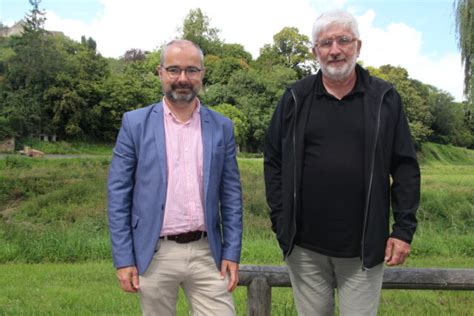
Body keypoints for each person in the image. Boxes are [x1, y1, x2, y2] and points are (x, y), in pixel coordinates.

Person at [264, 9, 420, 316]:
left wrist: (403, 230)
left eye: (343, 40)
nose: (335, 50)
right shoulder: (295, 97)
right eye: (326, 43)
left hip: (364, 248)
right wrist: (281, 220)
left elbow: (404, 166)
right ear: (315, 51)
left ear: (357, 46)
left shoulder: (384, 98)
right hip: (304, 248)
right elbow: (273, 159)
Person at [108, 39, 243, 316]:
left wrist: (231, 252)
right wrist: (124, 259)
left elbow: (231, 196)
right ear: (160, 72)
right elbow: (118, 195)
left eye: (192, 70)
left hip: (208, 252)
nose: (183, 78)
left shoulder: (221, 127)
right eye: (174, 70)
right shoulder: (135, 124)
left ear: (202, 75)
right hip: (155, 253)